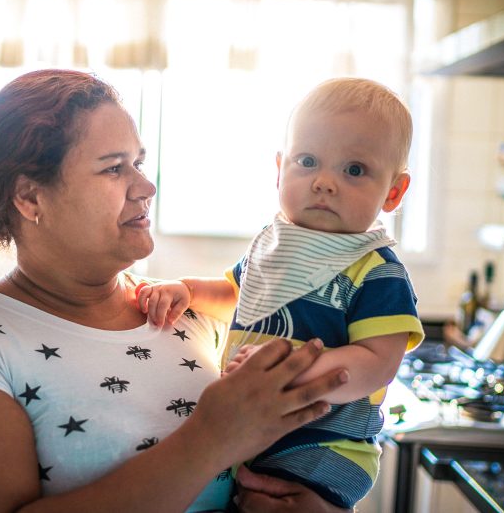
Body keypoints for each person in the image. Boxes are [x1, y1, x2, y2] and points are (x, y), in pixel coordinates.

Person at [0, 69, 352, 513]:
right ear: (30, 198)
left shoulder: (183, 311)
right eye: (114, 168)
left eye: (138, 162)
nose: (146, 186)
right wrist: (209, 440)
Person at [137, 77, 426, 509]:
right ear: (279, 170)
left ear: (394, 192)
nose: (325, 182)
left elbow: (376, 364)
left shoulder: (376, 271)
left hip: (320, 450)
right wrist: (188, 290)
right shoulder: (275, 244)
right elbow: (240, 296)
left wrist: (291, 370)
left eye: (354, 170)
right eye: (307, 161)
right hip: (254, 438)